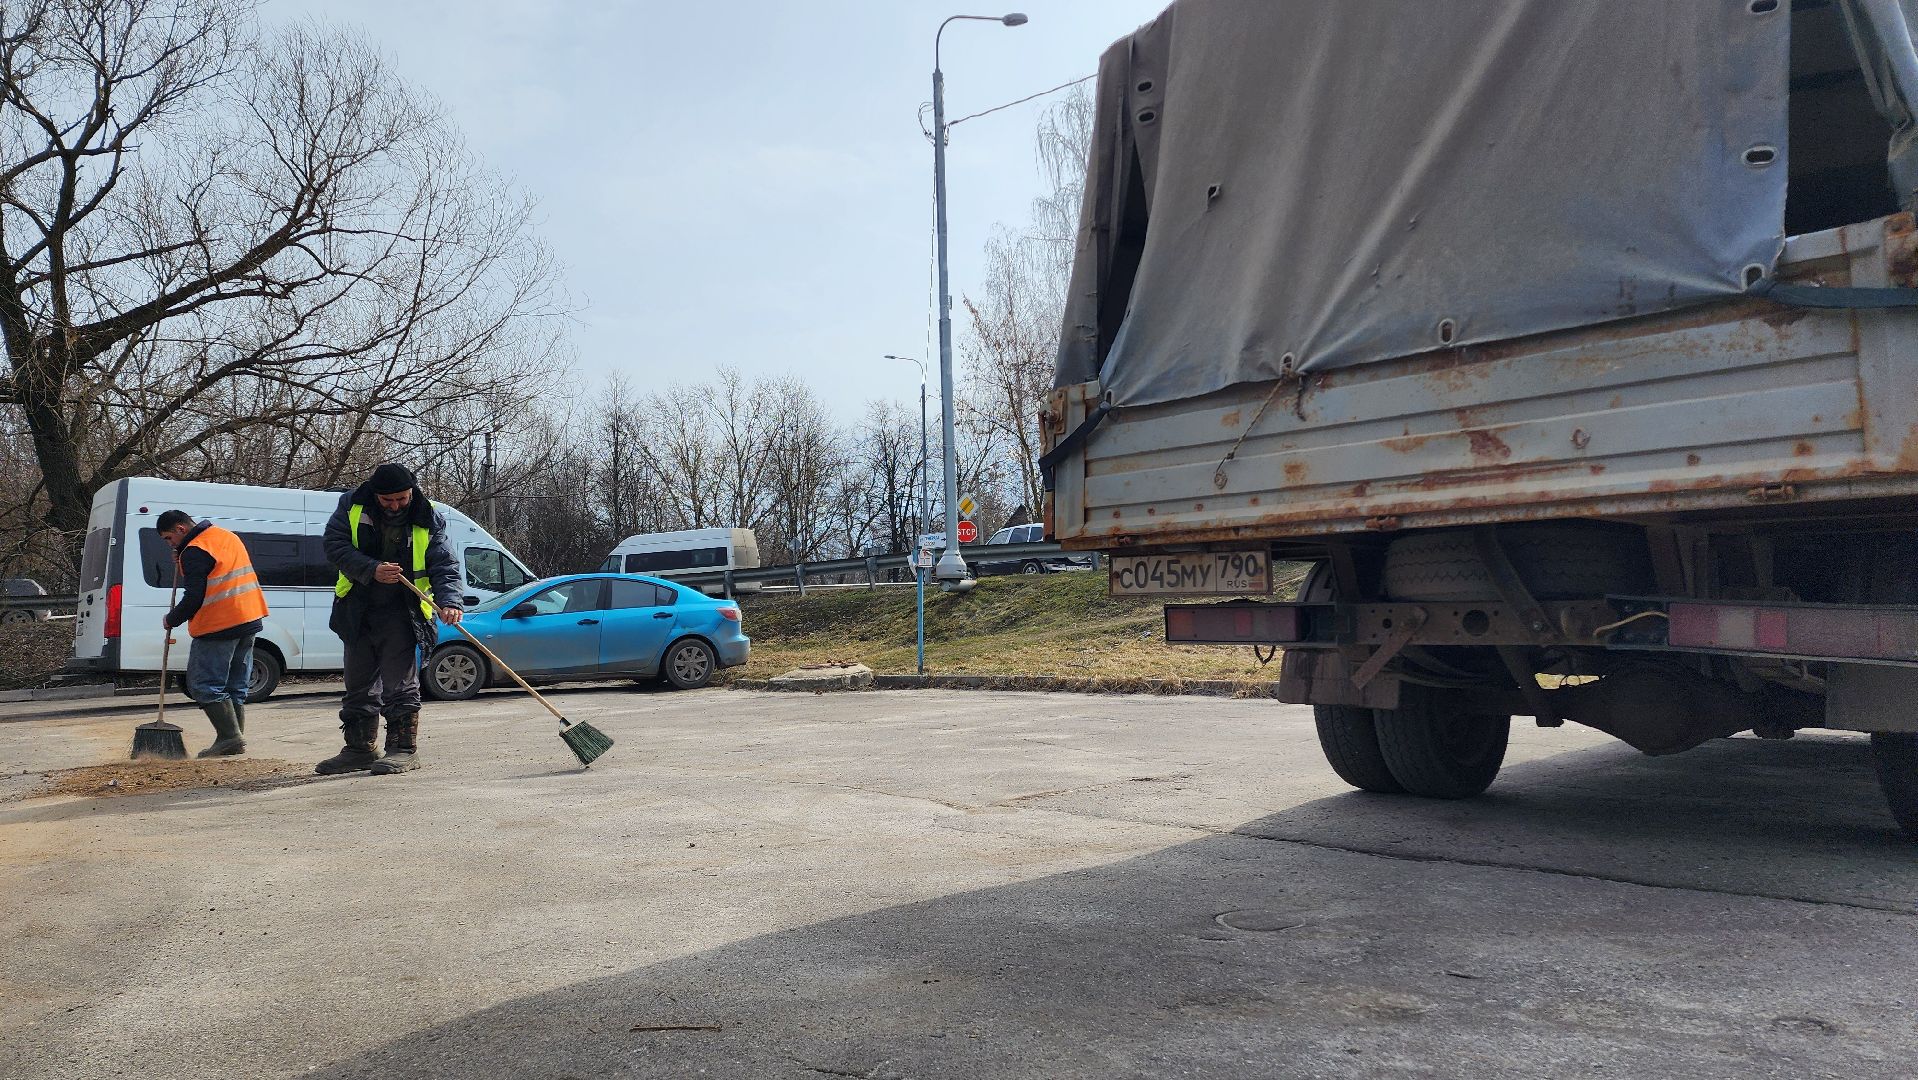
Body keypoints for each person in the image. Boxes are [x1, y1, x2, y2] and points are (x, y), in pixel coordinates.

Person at [318, 463, 464, 776]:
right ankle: (359, 749)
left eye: (402, 498)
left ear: (412, 491)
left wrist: (449, 601)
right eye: (388, 501)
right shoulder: (351, 506)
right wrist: (371, 569)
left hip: (404, 612)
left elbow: (443, 563)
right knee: (358, 685)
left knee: (400, 684)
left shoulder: (428, 515)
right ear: (376, 495)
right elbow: (334, 546)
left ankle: (403, 749)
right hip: (357, 610)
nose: (396, 506)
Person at [156, 510, 268, 758]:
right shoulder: (226, 536)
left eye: (167, 538)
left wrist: (171, 619)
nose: (169, 544)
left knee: (204, 684)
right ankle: (235, 738)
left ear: (180, 529)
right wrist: (183, 559)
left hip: (219, 625)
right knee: (235, 684)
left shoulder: (194, 551)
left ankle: (229, 737)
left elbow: (195, 596)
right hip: (249, 618)